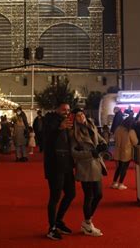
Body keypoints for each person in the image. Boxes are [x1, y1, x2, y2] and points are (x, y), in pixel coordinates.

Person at [71, 108, 108, 237]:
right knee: (89, 196)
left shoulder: (92, 126)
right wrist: (90, 153)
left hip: (96, 165)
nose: (80, 117)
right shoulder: (74, 133)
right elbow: (74, 153)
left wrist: (103, 145)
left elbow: (100, 139)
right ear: (74, 119)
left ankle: (87, 221)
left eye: (81, 114)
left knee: (99, 194)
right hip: (85, 167)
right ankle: (87, 223)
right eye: (77, 116)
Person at [43, 103, 75, 240]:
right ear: (57, 109)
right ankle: (52, 227)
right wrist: (59, 128)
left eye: (68, 110)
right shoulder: (50, 120)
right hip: (55, 165)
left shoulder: (67, 123)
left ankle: (58, 221)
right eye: (63, 109)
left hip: (67, 164)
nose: (66, 112)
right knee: (55, 197)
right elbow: (45, 139)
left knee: (71, 193)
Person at [112, 117, 138, 190]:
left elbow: (114, 138)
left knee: (119, 168)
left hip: (117, 150)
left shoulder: (118, 129)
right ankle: (121, 184)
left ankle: (114, 183)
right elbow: (135, 142)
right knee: (124, 168)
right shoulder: (130, 131)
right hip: (126, 152)